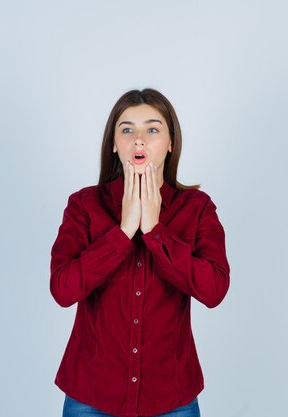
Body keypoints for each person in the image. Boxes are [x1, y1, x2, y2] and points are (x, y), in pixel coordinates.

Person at [50, 88, 230, 417]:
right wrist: (121, 233)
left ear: (171, 142)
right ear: (114, 144)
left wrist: (155, 232)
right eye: (127, 129)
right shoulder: (84, 205)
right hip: (91, 398)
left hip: (171, 400)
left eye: (152, 129)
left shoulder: (198, 209)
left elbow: (214, 289)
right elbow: (63, 289)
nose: (139, 140)